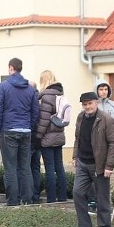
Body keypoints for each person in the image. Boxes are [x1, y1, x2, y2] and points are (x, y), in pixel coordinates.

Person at [71, 91, 114, 227]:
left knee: (102, 197)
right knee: (77, 193)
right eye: (85, 104)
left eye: (90, 103)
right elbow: (77, 138)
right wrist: (74, 156)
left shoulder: (106, 119)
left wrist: (109, 166)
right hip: (83, 163)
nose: (87, 107)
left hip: (100, 165)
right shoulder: (80, 117)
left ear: (96, 103)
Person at [0, 57, 39, 206]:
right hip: (26, 130)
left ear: (10, 68)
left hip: (8, 129)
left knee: (10, 168)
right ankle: (27, 200)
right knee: (25, 167)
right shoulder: (31, 89)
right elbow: (35, 112)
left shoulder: (3, 87)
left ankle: (13, 201)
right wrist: (29, 127)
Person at [34, 70, 70, 203]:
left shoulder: (46, 97)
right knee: (59, 167)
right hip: (59, 136)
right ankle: (62, 196)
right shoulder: (61, 95)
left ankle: (51, 198)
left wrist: (38, 137)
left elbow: (44, 120)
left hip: (47, 138)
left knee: (49, 168)